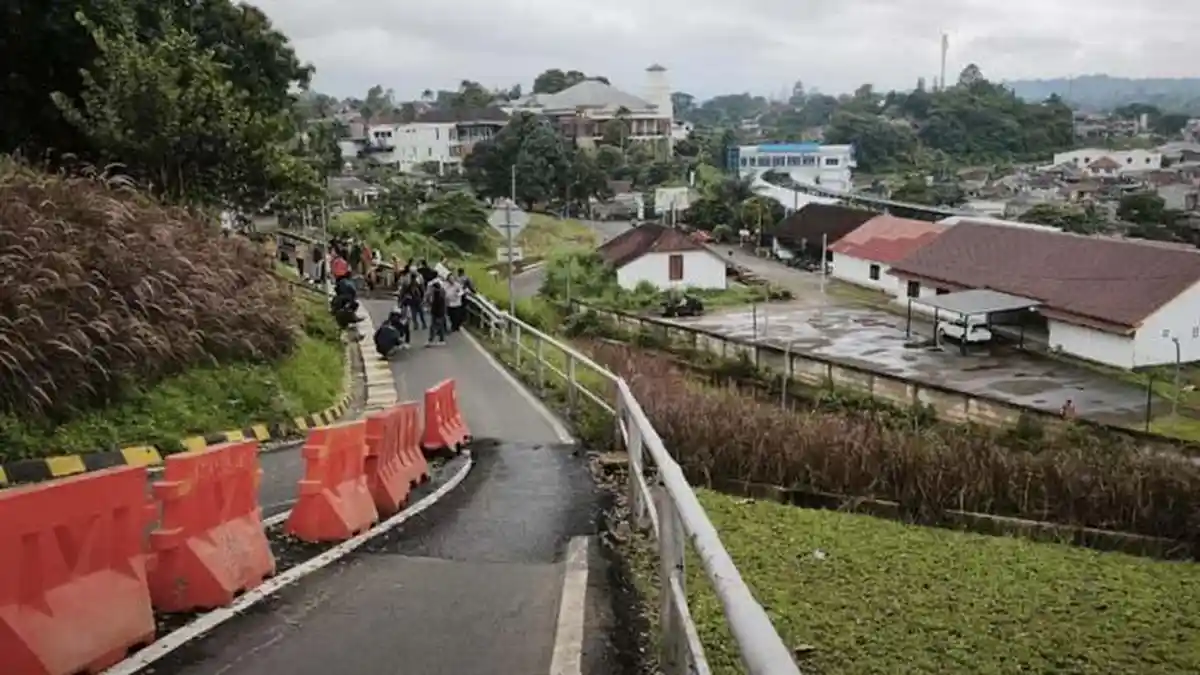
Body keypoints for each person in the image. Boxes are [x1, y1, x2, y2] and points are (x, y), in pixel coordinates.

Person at [425, 276, 449, 345]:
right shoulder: (440, 292)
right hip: (438, 312)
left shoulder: (438, 295)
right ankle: (442, 340)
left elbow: (438, 305)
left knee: (433, 327)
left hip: (438, 313)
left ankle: (430, 340)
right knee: (440, 326)